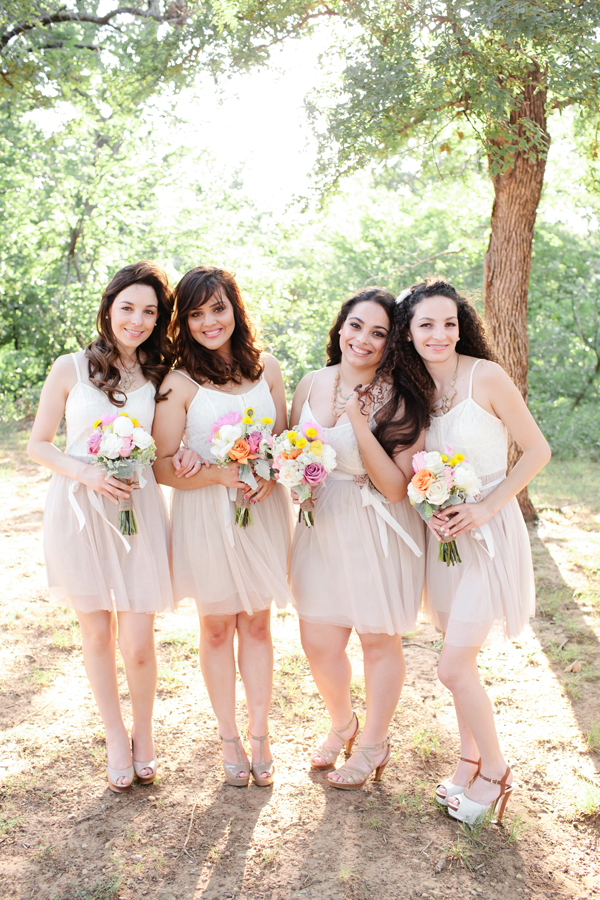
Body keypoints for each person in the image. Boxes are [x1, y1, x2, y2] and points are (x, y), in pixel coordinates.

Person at [396, 279, 551, 824]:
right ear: (408, 332)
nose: (440, 334)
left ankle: (497, 772)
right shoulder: (414, 389)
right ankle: (468, 759)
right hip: (444, 539)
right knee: (457, 655)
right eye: (426, 324)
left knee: (452, 665)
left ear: (461, 326)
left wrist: (486, 508)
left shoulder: (486, 376)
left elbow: (537, 449)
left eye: (449, 323)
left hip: (488, 532)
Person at [27, 261, 185, 793]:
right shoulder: (69, 368)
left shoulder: (159, 375)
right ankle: (115, 738)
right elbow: (38, 444)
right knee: (97, 632)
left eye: (149, 312)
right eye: (128, 308)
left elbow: (166, 444)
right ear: (108, 307)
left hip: (135, 509)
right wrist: (87, 472)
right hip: (79, 507)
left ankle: (144, 734)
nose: (137, 320)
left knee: (138, 641)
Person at [152, 266, 293, 787]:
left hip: (260, 512)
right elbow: (162, 465)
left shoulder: (268, 369)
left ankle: (260, 733)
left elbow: (282, 447)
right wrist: (218, 473)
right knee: (216, 627)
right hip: (207, 514)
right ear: (184, 322)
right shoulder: (179, 383)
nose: (210, 322)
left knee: (257, 623)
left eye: (218, 308)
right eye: (196, 313)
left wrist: (272, 479)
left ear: (235, 308)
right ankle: (228, 736)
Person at [289, 288, 427, 790]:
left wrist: (353, 417)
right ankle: (343, 722)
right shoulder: (309, 382)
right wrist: (295, 479)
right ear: (340, 327)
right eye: (355, 326)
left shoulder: (400, 396)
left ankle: (373, 742)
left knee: (376, 638)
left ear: (391, 343)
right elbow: (291, 449)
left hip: (375, 526)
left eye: (378, 332)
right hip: (318, 523)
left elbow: (395, 487)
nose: (363, 339)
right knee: (318, 640)